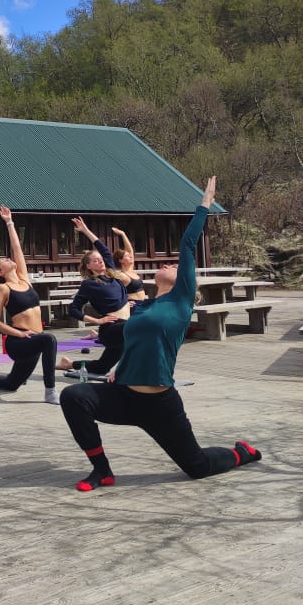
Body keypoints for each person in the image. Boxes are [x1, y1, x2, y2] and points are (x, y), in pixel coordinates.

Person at [59, 177, 262, 492]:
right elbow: (133, 344)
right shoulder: (141, 306)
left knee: (197, 467)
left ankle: (241, 453)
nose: (169, 263)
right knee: (73, 397)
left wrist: (204, 204)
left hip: (159, 405)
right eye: (167, 263)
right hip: (125, 396)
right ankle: (102, 471)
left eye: (174, 265)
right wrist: (118, 368)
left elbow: (188, 244)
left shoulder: (180, 301)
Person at [0, 206, 59, 403]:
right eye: (3, 260)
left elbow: (17, 249)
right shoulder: (4, 288)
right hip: (18, 342)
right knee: (49, 340)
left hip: (32, 339)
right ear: (0, 272)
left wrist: (9, 222)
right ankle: (50, 391)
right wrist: (18, 333)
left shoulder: (24, 279)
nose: (9, 258)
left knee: (13, 383)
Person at [56, 216, 132, 376]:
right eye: (95, 261)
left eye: (101, 260)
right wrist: (97, 321)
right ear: (88, 266)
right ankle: (136, 372)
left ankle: (68, 364)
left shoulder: (111, 273)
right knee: (141, 329)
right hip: (111, 329)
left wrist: (85, 230)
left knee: (102, 367)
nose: (100, 261)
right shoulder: (89, 284)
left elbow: (103, 248)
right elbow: (74, 309)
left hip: (123, 326)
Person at [111, 226, 147, 306]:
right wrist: (124, 302)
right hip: (134, 304)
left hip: (142, 303)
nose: (130, 256)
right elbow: (111, 291)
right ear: (121, 260)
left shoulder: (130, 269)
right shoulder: (121, 275)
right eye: (127, 256)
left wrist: (122, 234)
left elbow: (130, 250)